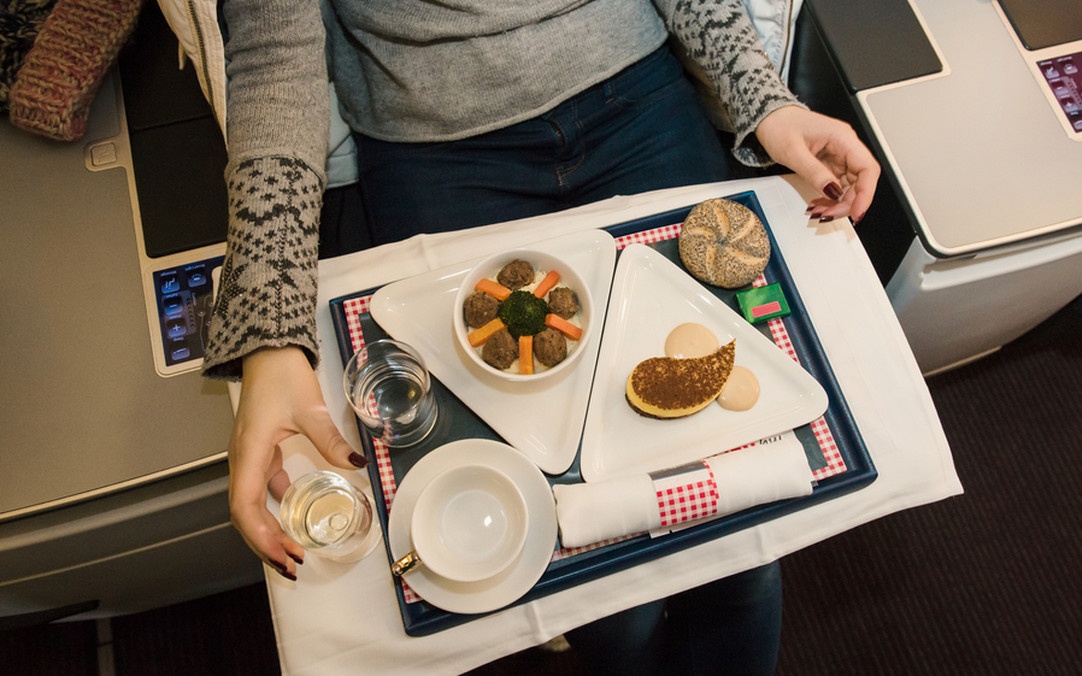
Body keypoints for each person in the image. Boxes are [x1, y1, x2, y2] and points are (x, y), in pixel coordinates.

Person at [204, 0, 879, 671]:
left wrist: (763, 97)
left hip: (638, 97)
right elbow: (272, 52)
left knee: (739, 529)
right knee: (582, 557)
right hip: (436, 147)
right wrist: (270, 329)